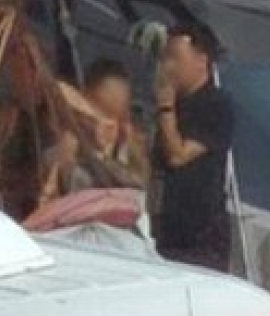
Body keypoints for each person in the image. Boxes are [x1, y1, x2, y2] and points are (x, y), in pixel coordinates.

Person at [152, 31, 235, 271]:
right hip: (169, 224)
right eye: (166, 58)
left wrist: (165, 107)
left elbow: (178, 156)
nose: (169, 67)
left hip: (202, 232)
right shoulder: (178, 105)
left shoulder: (215, 105)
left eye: (176, 58)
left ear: (201, 60)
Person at [83, 58, 150, 188]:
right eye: (103, 114)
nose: (109, 126)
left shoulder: (126, 150)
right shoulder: (64, 151)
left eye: (118, 118)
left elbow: (143, 184)